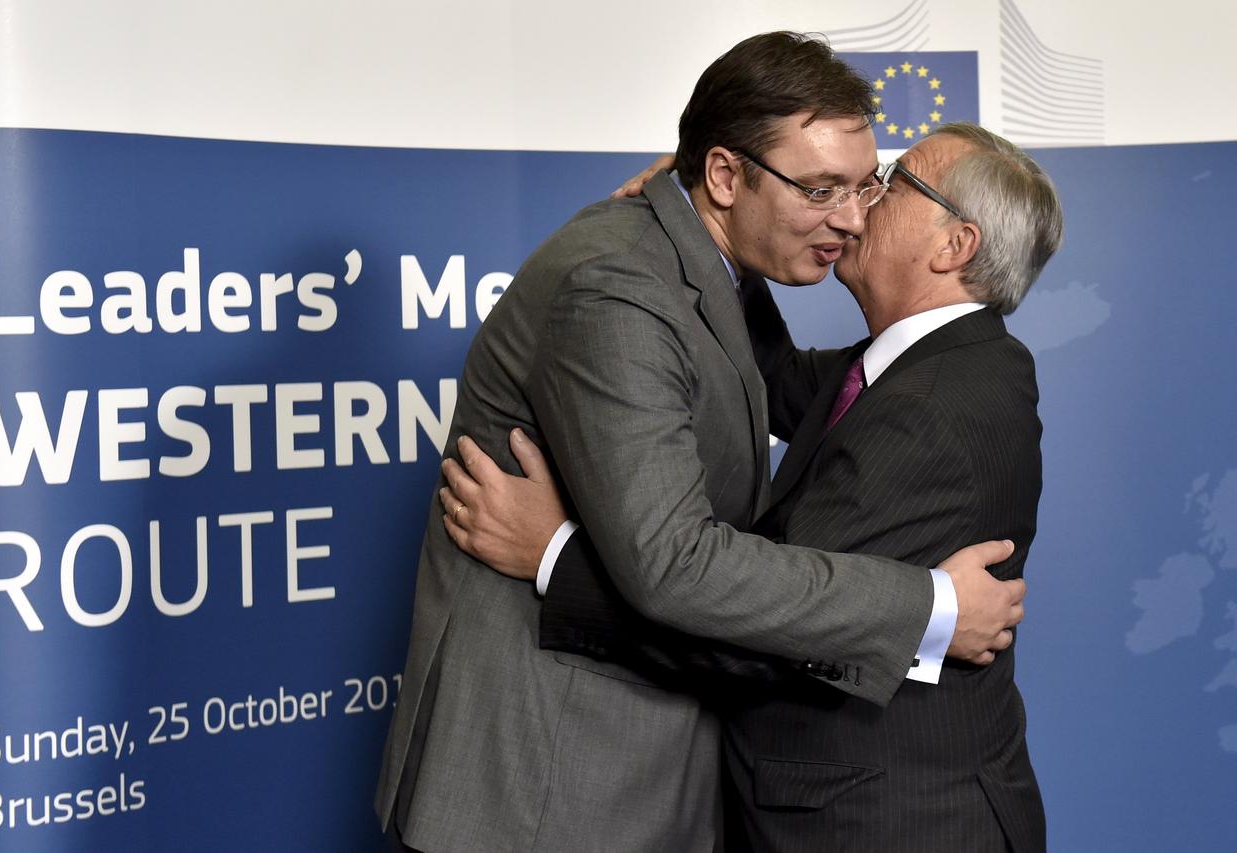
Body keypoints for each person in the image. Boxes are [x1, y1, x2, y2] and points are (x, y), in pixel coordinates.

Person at [376, 32, 1023, 852]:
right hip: (551, 787)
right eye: (824, 189)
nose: (853, 219)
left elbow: (763, 377)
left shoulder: (722, 273)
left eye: (867, 188)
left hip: (665, 771)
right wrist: (931, 607)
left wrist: (690, 203)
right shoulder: (620, 285)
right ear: (724, 175)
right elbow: (677, 565)